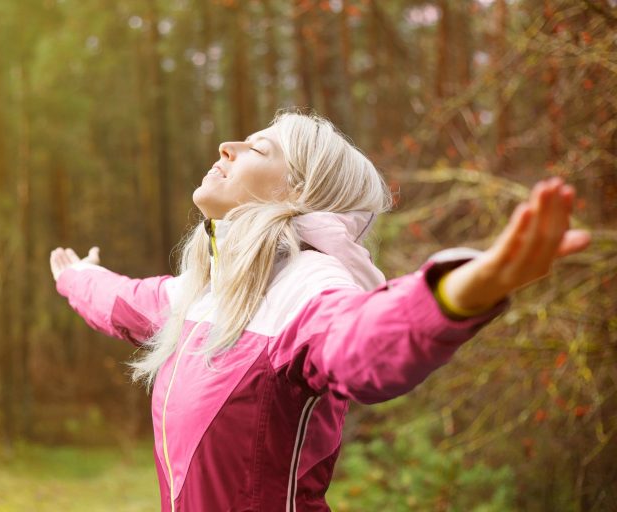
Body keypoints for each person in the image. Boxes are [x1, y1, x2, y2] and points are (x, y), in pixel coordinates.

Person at [49, 110, 590, 511]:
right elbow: (124, 301)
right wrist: (78, 277)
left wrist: (458, 293)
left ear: (299, 189)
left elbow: (365, 341)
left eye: (258, 149)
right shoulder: (206, 291)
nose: (225, 146)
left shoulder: (307, 285)